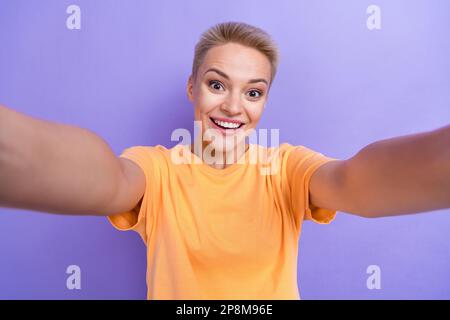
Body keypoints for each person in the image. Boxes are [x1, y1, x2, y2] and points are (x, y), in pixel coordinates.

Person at [0, 21, 449, 300]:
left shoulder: (287, 168)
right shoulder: (156, 169)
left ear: (265, 101)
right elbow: (108, 180)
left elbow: (357, 181)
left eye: (253, 92)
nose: (234, 106)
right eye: (218, 85)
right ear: (192, 88)